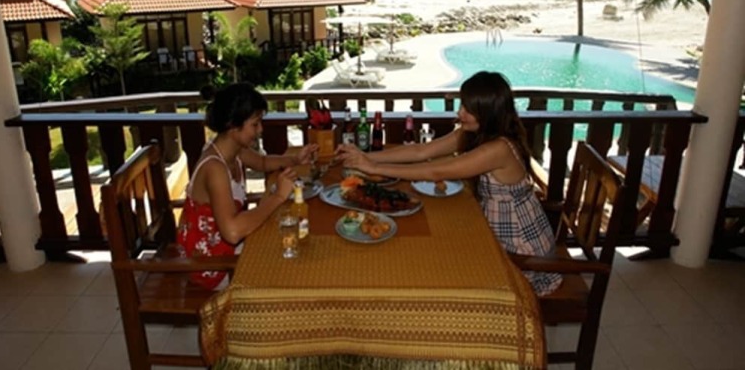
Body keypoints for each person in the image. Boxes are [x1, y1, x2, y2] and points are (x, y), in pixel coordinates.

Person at [335, 71, 561, 296]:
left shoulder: (499, 148)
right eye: (462, 105)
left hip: (520, 250)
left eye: (469, 109)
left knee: (436, 266)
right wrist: (365, 157)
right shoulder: (474, 133)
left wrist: (373, 168)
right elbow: (421, 151)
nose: (460, 113)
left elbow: (435, 171)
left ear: (488, 112)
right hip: (492, 232)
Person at [177, 83, 319, 289]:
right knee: (292, 265)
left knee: (292, 243)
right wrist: (278, 197)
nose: (260, 129)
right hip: (211, 265)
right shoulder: (215, 168)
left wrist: (295, 160)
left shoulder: (232, 149)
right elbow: (233, 231)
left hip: (227, 248)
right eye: (255, 124)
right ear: (233, 126)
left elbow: (262, 162)